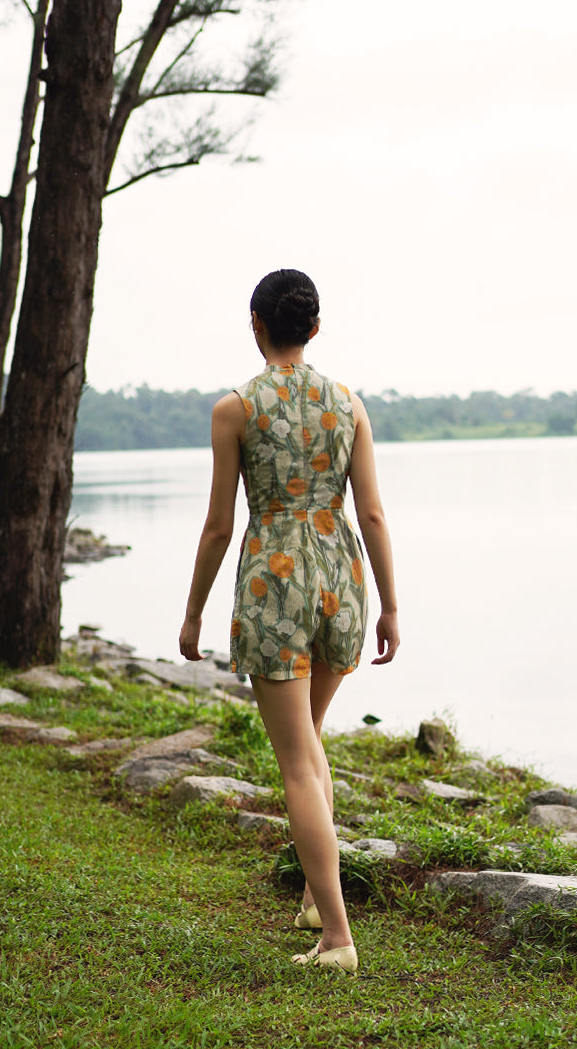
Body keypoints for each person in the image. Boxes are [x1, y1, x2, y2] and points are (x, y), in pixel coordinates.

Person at [179, 269, 400, 975]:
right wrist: (391, 604)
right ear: (313, 327)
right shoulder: (349, 404)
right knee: (311, 747)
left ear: (256, 323)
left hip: (275, 582)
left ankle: (337, 939)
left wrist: (192, 613)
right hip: (340, 578)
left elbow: (219, 526)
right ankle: (314, 897)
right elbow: (371, 513)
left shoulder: (235, 410)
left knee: (298, 762)